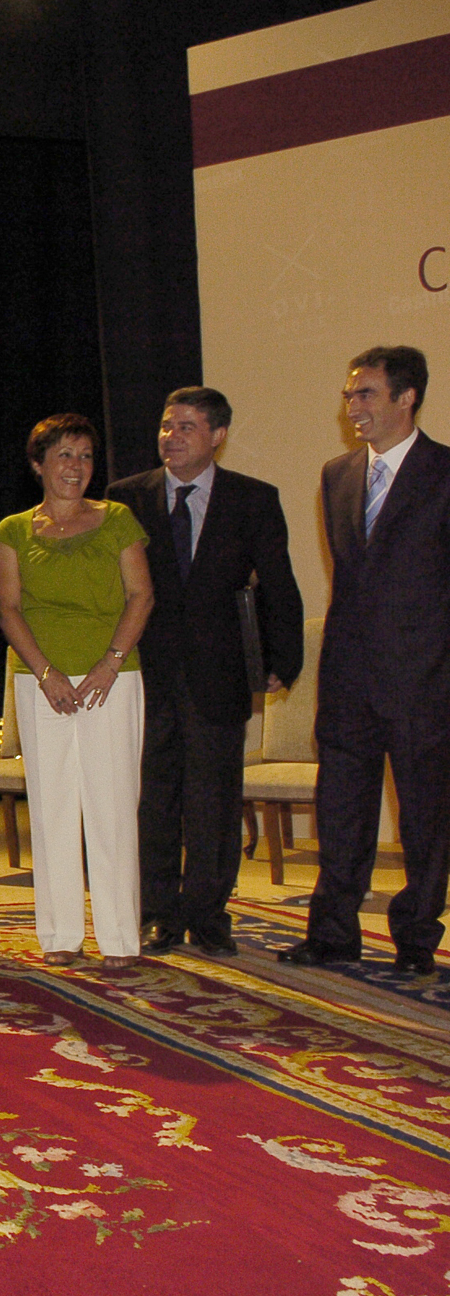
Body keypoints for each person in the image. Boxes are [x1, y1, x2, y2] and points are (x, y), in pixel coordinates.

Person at [108, 387, 303, 959]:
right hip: (147, 670)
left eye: (187, 427)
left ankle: (209, 914)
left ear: (217, 436)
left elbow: (278, 585)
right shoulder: (126, 498)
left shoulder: (253, 499)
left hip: (220, 672)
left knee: (214, 799)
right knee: (155, 797)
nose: (171, 437)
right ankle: (157, 914)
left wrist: (282, 660)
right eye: (167, 426)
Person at [283, 346, 450, 976]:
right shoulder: (338, 474)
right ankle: (332, 934)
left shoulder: (444, 472)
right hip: (348, 677)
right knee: (341, 810)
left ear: (407, 398)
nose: (352, 407)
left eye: (366, 394)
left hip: (425, 677)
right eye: (349, 395)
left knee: (425, 817)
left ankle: (416, 937)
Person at [0, 415, 154, 969]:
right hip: (42, 684)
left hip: (114, 680)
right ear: (38, 464)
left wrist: (110, 664)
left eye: (85, 456)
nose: (76, 466)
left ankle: (119, 937)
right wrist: (46, 673)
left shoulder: (118, 520)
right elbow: (8, 609)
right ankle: (60, 934)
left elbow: (141, 596)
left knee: (113, 809)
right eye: (64, 455)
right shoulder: (13, 530)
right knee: (53, 809)